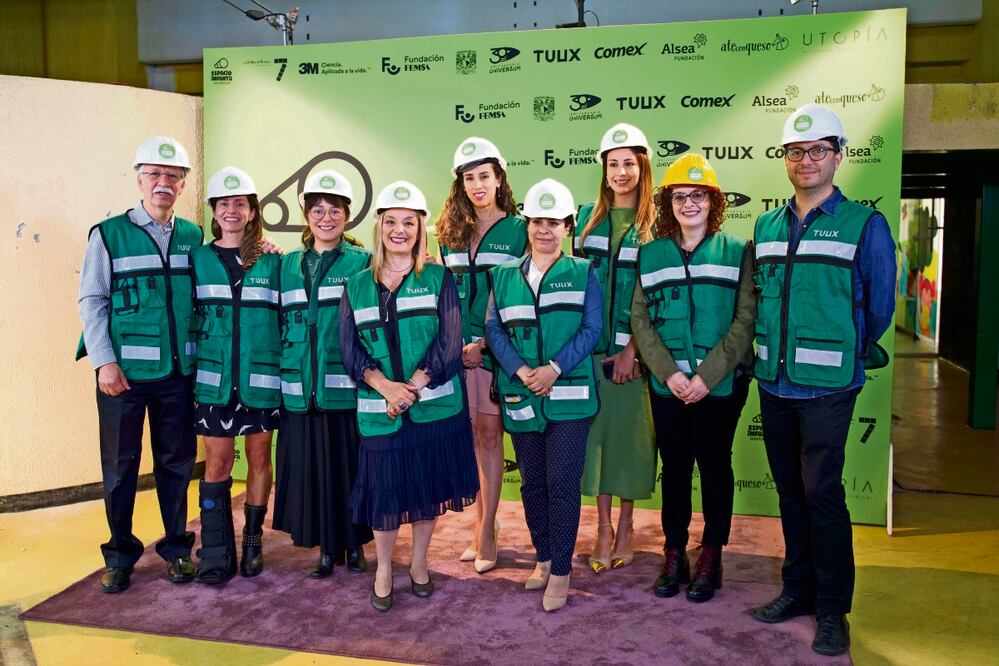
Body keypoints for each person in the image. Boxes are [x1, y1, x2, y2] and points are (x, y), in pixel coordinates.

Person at [747, 104, 895, 657]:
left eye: (817, 151)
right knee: (790, 494)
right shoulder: (764, 225)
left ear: (838, 155)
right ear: (785, 160)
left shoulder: (864, 224)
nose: (805, 160)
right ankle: (797, 589)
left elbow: (879, 307)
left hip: (829, 386)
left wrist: (842, 349)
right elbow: (759, 299)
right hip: (775, 380)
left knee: (823, 495)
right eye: (795, 152)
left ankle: (833, 609)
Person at [340, 181, 479, 612]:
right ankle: (384, 568)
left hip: (434, 410)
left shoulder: (439, 279)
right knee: (385, 493)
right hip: (382, 410)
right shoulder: (357, 284)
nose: (399, 231)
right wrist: (385, 387)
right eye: (391, 222)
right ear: (380, 227)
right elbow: (348, 347)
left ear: (421, 230)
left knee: (423, 490)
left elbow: (450, 340)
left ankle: (419, 565)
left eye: (409, 223)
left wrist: (413, 387)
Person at [77, 136, 202, 592]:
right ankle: (120, 556)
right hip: (122, 378)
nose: (163, 183)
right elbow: (92, 299)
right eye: (154, 174)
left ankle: (176, 549)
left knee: (177, 464)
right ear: (139, 179)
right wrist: (103, 362)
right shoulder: (108, 234)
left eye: (172, 176)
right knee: (120, 466)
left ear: (183, 184)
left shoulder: (193, 236)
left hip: (177, 374)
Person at [631, 154, 755, 602]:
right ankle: (674, 551)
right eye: (680, 196)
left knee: (716, 466)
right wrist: (669, 373)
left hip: (719, 386)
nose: (689, 204)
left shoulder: (737, 250)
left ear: (713, 201)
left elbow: (745, 320)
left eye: (697, 195)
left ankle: (711, 555)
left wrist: (706, 375)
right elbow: (639, 320)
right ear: (669, 203)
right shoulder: (651, 255)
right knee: (676, 468)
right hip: (669, 386)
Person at [486, 179, 602, 612]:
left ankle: (562, 570)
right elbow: (494, 329)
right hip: (521, 394)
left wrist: (552, 369)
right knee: (533, 482)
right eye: (537, 221)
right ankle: (544, 556)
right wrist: (520, 370)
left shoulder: (584, 271)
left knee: (562, 483)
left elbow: (593, 330)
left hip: (569, 396)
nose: (544, 230)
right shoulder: (502, 275)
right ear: (527, 225)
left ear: (569, 227)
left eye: (554, 222)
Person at [271, 169, 374, 579]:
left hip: (347, 389)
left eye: (334, 210)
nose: (326, 217)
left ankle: (355, 545)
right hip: (300, 389)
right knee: (314, 474)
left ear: (347, 216)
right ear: (305, 214)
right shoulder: (285, 265)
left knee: (352, 470)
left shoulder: (364, 262)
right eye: (317, 210)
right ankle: (326, 550)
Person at [436, 137, 527, 573]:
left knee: (491, 439)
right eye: (469, 177)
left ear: (499, 178)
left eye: (484, 176)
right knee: (472, 440)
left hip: (496, 353)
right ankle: (480, 522)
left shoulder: (521, 229)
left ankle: (487, 530)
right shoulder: (448, 232)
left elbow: (526, 299)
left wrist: (487, 345)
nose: (477, 185)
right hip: (456, 355)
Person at [189, 167, 281, 584]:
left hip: (260, 380)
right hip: (215, 382)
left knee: (260, 458)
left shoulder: (273, 261)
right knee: (218, 463)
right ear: (213, 211)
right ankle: (216, 548)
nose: (231, 210)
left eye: (239, 203)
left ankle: (253, 540)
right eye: (223, 204)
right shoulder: (198, 259)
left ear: (251, 210)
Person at [573, 123, 657, 573]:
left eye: (629, 163)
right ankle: (601, 527)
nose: (621, 172)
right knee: (596, 443)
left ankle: (627, 525)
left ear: (642, 168)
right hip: (587, 356)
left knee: (629, 444)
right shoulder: (585, 219)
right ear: (603, 171)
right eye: (613, 164)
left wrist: (634, 350)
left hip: (632, 358)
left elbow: (657, 297)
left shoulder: (656, 226)